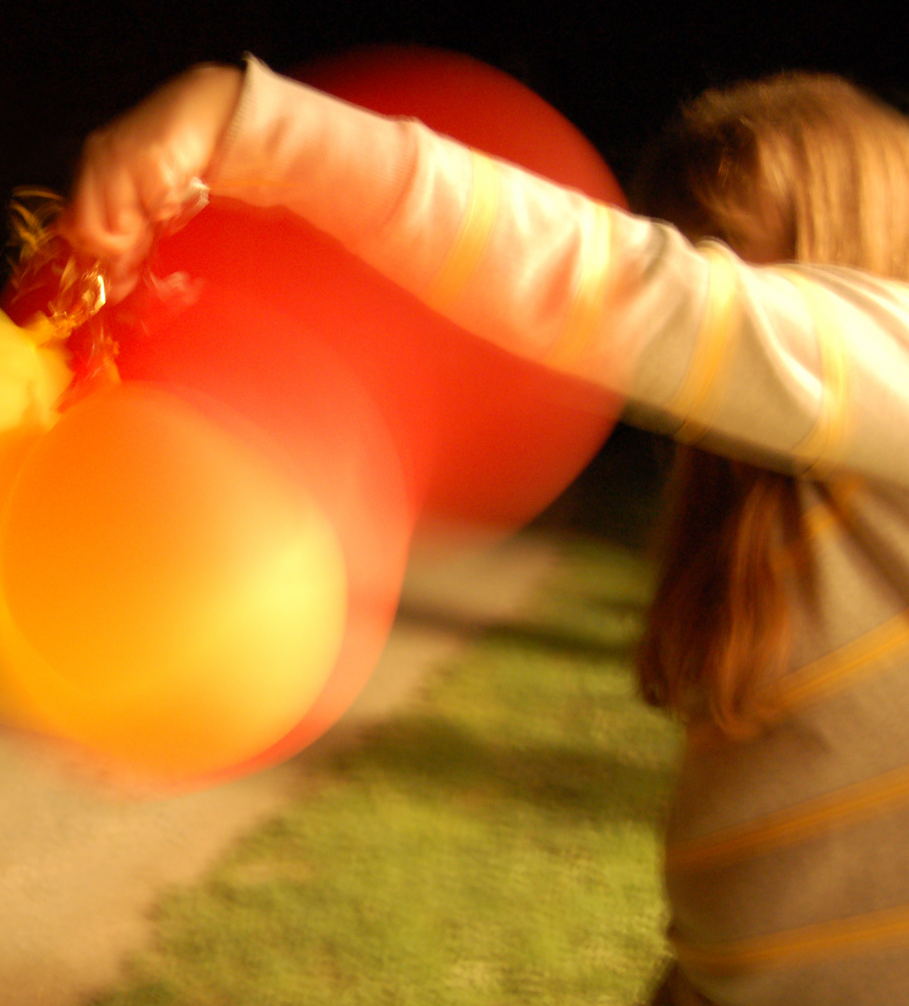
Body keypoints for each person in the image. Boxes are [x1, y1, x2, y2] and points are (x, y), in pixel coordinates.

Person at [59, 55, 909, 1005]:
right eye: (683, 230)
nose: (697, 258)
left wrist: (252, 122)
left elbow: (632, 292)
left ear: (856, 232)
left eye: (732, 243)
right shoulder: (789, 501)